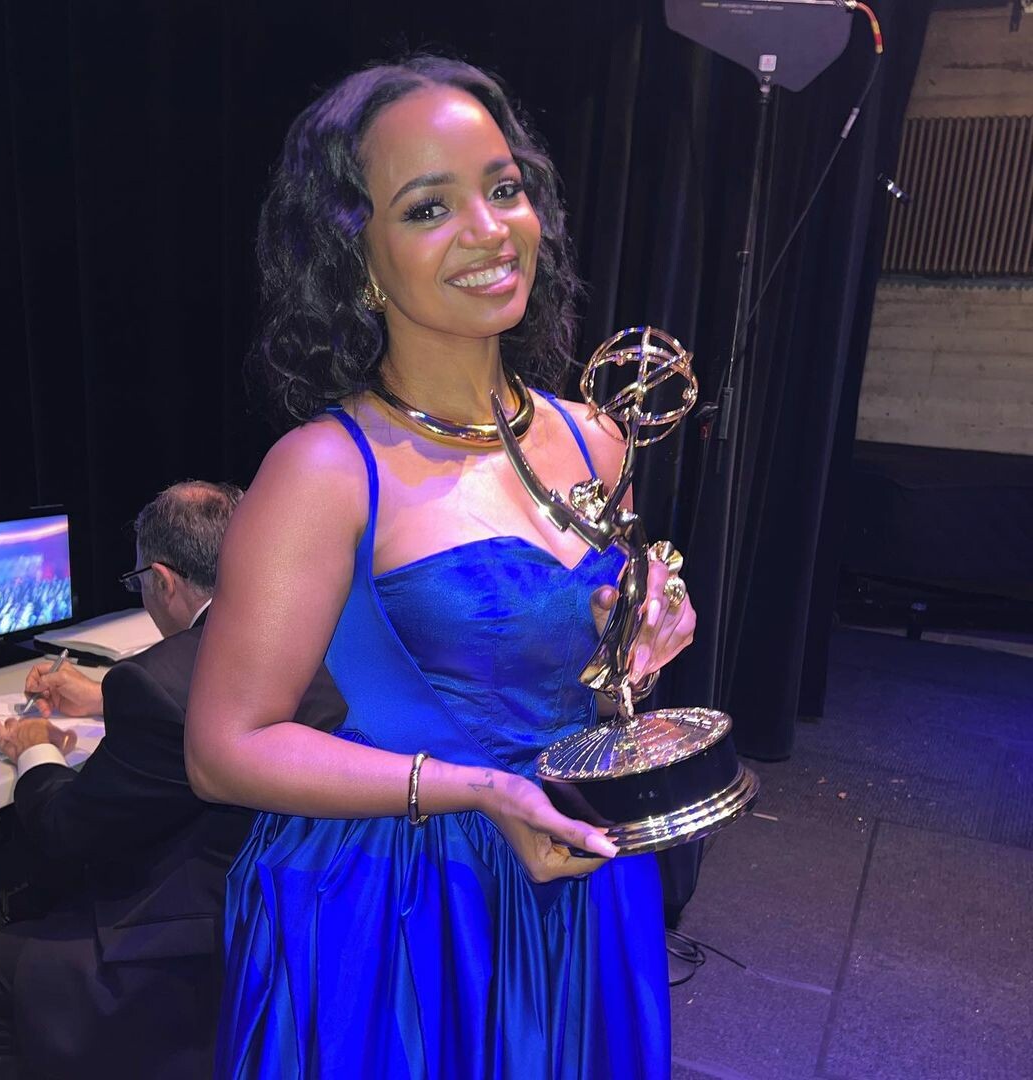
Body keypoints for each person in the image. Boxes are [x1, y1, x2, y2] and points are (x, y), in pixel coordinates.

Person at [185, 56, 696, 1079]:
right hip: (401, 906)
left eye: (503, 189)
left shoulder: (596, 438)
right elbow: (223, 750)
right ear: (360, 260)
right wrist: (475, 790)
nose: (489, 229)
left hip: (580, 869)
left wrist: (645, 638)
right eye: (429, 208)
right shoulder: (325, 472)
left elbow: (589, 672)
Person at [0, 481, 347, 1079]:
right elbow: (232, 708)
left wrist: (35, 751)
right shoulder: (312, 635)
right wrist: (100, 700)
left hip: (178, 957)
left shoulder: (155, 681)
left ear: (162, 580)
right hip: (285, 932)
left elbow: (64, 831)